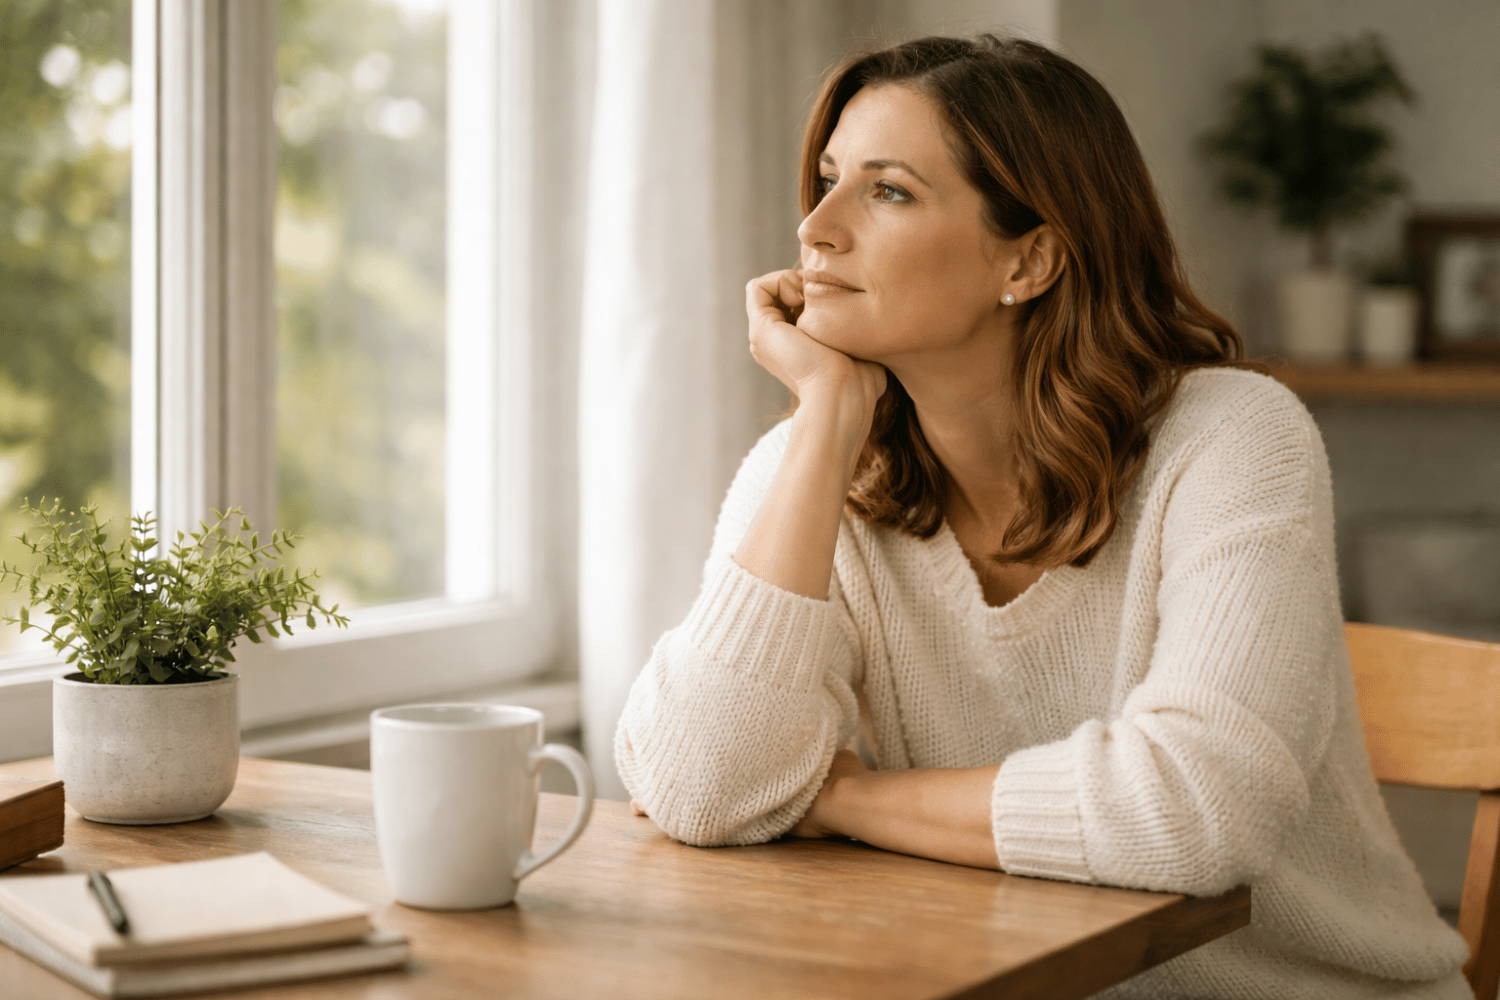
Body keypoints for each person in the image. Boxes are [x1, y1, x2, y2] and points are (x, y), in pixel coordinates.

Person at [614, 34, 1470, 998]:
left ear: (1030, 260)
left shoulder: (1231, 438)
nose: (815, 227)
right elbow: (699, 788)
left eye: (886, 191)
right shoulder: (813, 471)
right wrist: (825, 422)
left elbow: (1194, 813)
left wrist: (844, 796)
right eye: (825, 180)